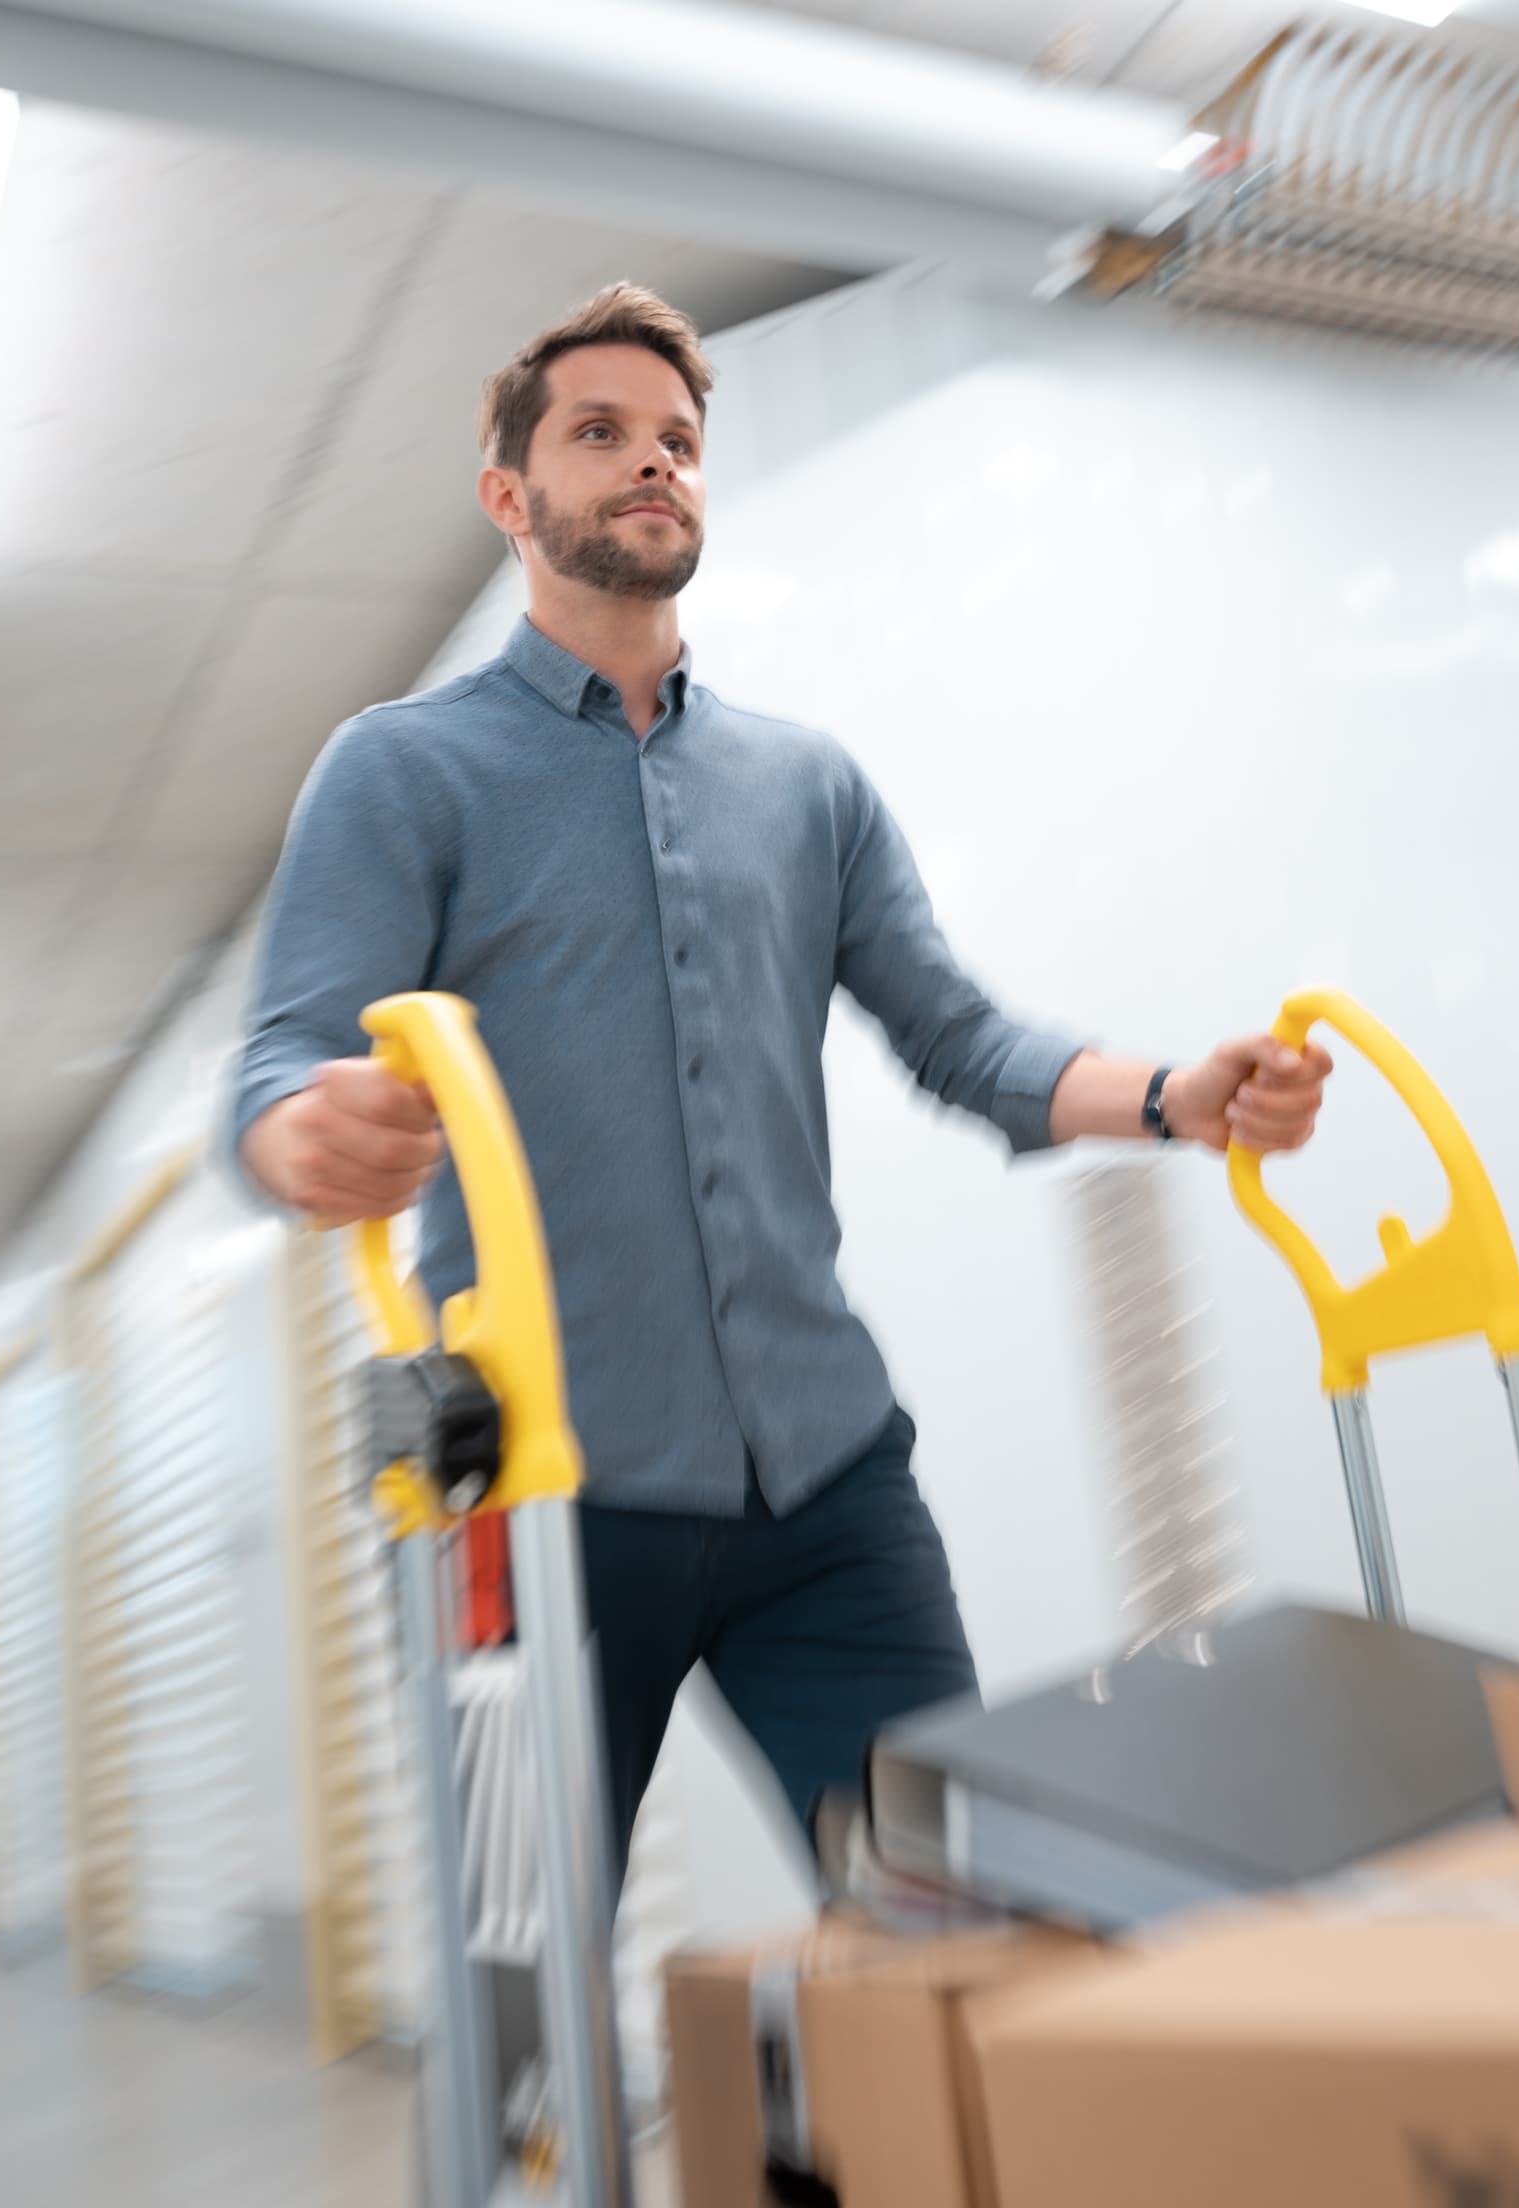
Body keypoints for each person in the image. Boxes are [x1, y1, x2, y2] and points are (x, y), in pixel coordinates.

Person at [230, 282, 1331, 1868]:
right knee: (518, 2003)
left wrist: (1180, 1098)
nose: (651, 463)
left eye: (675, 439)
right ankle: (546, 2130)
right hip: (534, 1497)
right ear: (509, 497)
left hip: (826, 1491)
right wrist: (299, 1132)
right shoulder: (403, 770)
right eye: (598, 435)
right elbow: (281, 1058)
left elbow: (962, 1040)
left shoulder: (805, 785)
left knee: (959, 1916)